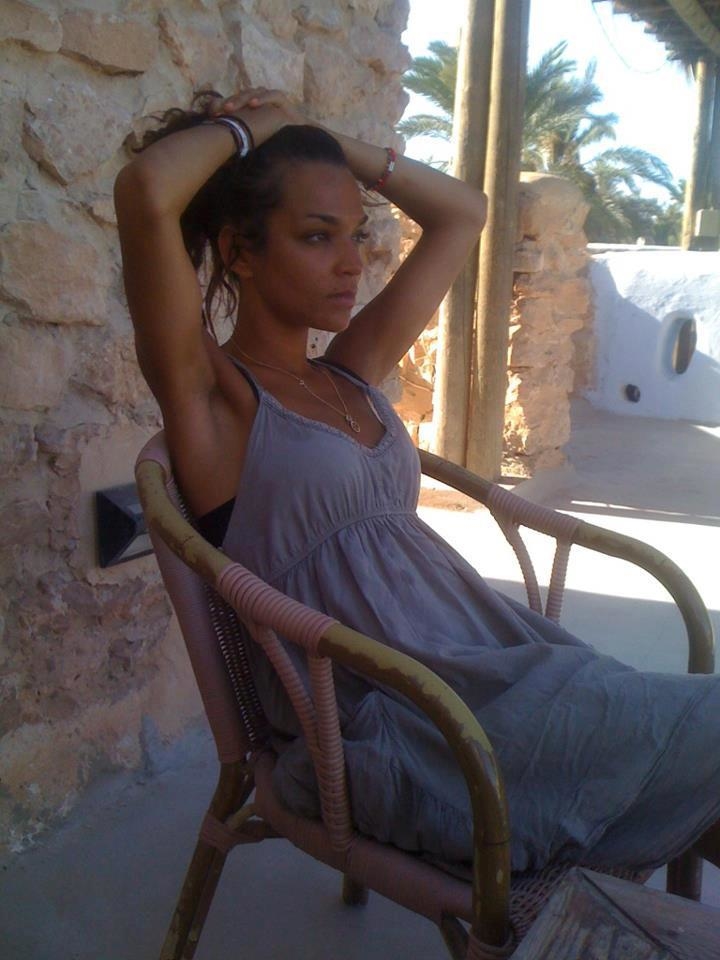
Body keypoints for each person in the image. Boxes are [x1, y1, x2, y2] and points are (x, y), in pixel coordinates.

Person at [115, 88, 720, 876]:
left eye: (357, 235)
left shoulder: (349, 371)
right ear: (238, 251)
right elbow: (146, 192)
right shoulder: (216, 401)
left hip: (498, 666)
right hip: (403, 722)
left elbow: (465, 212)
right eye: (316, 236)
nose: (352, 263)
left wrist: (320, 136)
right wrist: (259, 127)